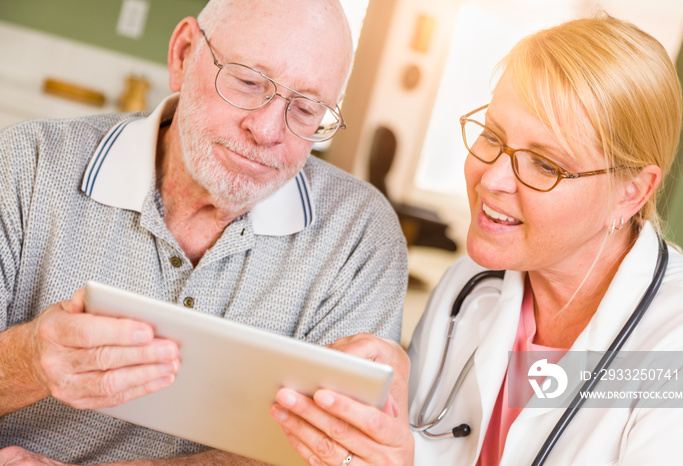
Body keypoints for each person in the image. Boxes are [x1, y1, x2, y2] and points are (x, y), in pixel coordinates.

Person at [271, 14, 683, 465]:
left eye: (546, 165)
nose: (492, 178)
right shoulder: (469, 286)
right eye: (492, 136)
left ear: (631, 193)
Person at [0, 0, 408, 464]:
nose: (268, 130)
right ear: (183, 54)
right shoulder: (24, 166)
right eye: (249, 82)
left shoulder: (358, 235)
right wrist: (28, 360)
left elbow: (333, 453)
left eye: (307, 108)